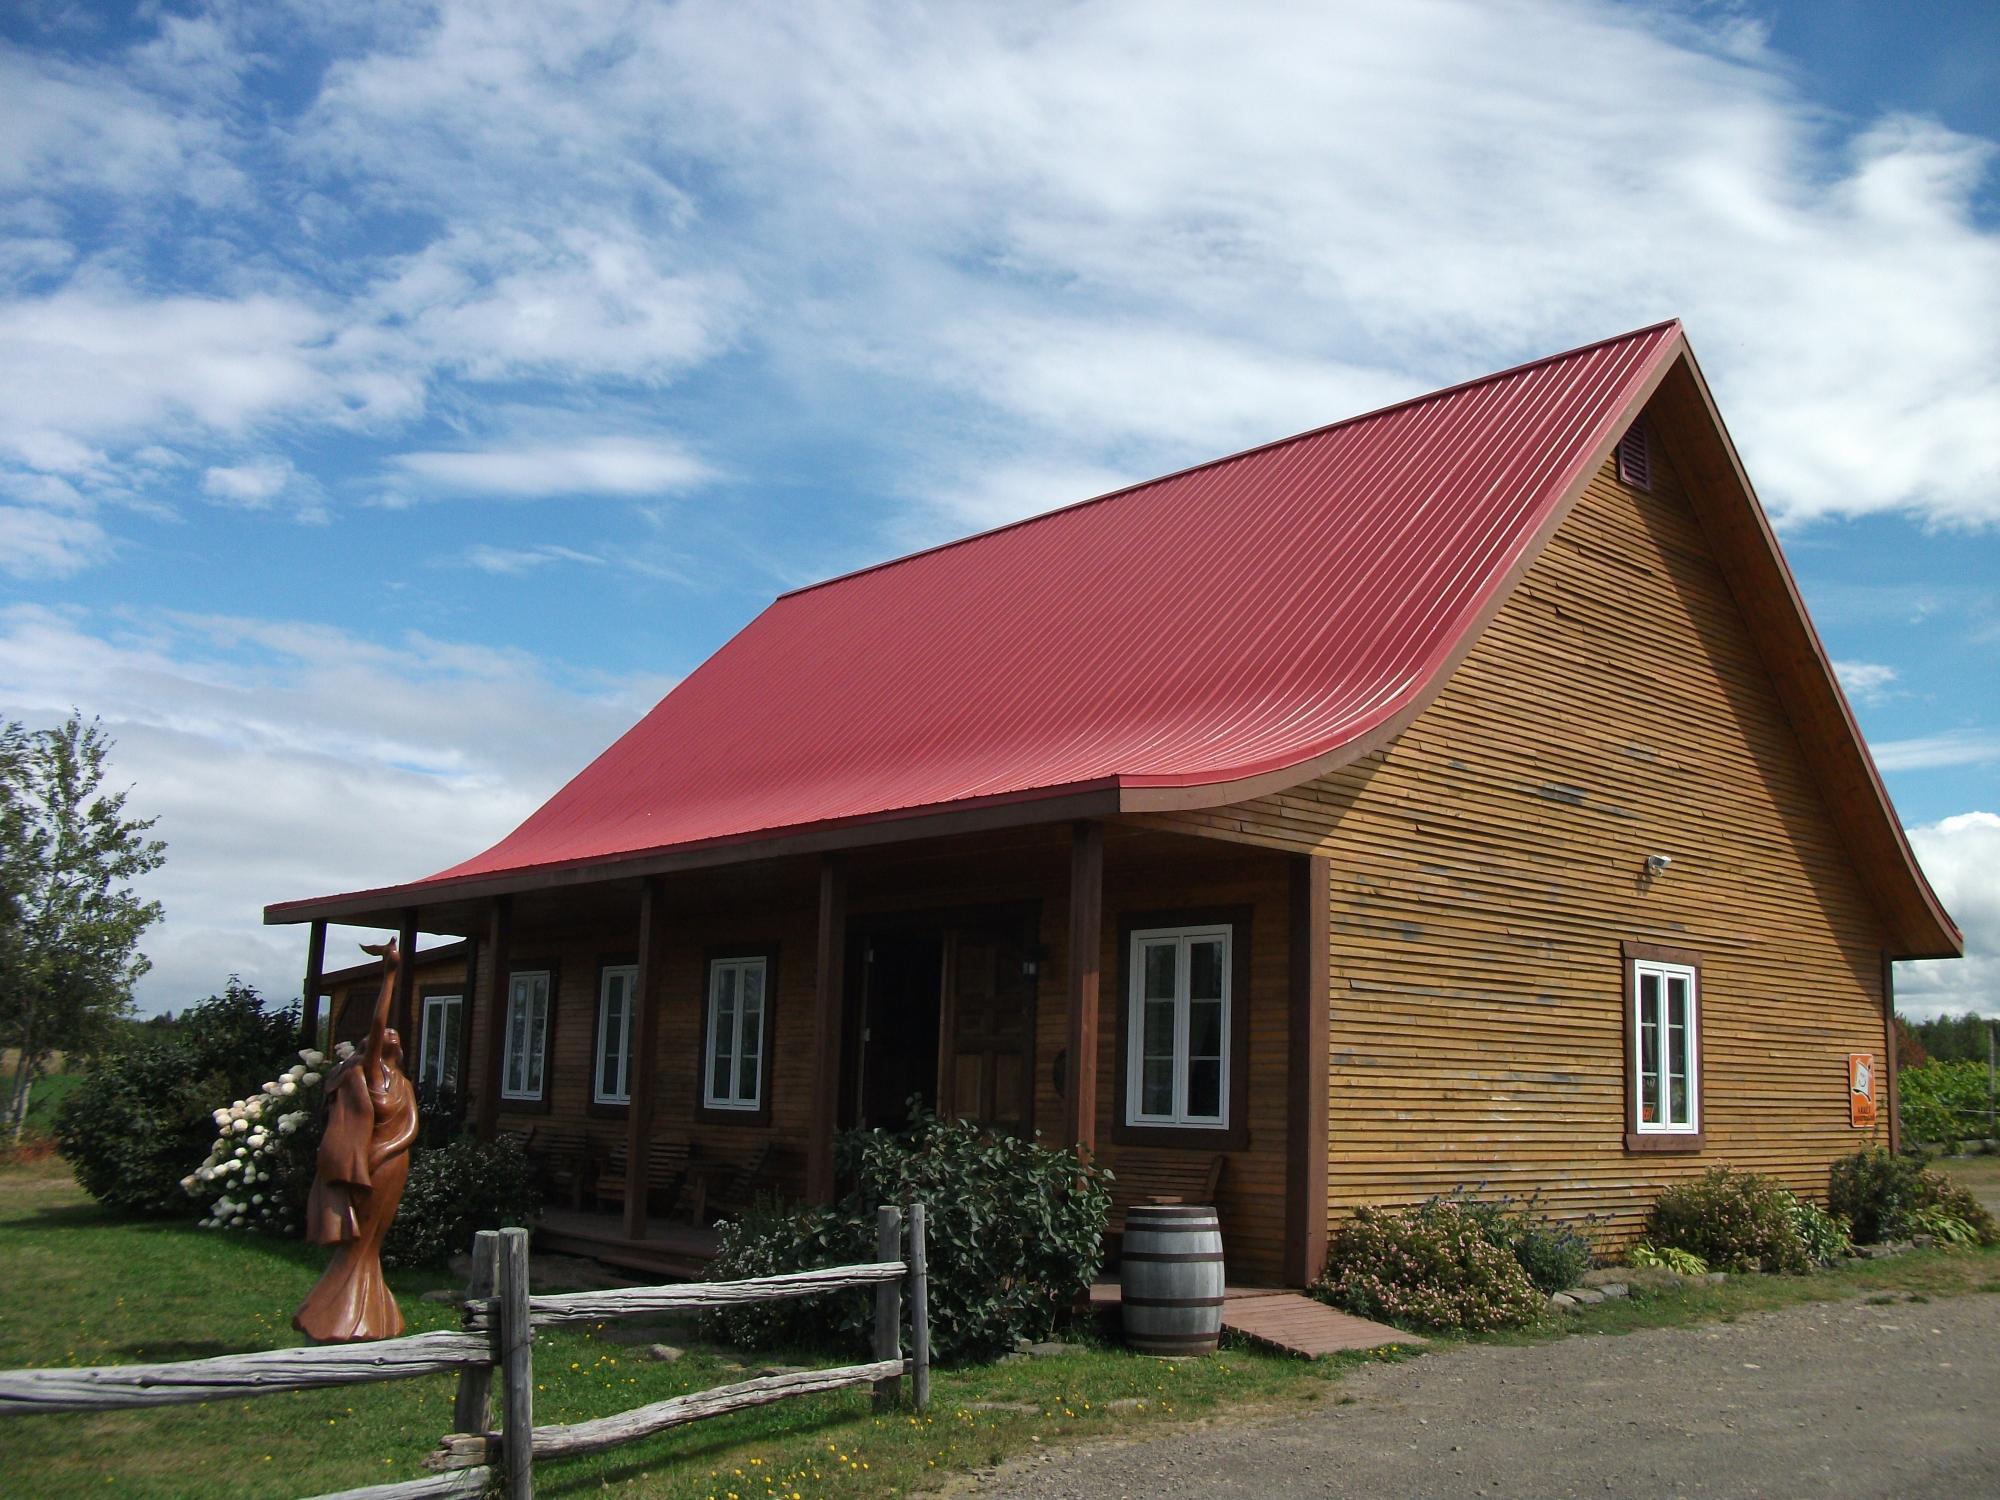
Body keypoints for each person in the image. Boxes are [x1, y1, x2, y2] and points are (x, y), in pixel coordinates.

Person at [293, 938, 419, 1342]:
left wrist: (388, 1148)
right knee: (359, 1239)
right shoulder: (367, 1075)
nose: (394, 1035)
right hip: (366, 1167)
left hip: (391, 1164)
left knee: (373, 1238)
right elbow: (379, 1019)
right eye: (389, 1033)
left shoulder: (402, 1083)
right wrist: (391, 973)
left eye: (398, 1034)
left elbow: (412, 1126)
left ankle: (370, 1308)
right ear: (374, 1045)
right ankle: (336, 1311)